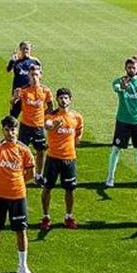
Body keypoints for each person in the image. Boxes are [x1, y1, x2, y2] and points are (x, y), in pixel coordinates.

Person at [0, 116, 36, 273]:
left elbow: (31, 173)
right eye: (7, 130)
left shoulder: (24, 150)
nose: (10, 133)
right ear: (3, 130)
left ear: (17, 130)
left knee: (21, 231)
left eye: (13, 129)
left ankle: (23, 266)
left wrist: (17, 183)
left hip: (18, 197)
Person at [106, 57, 137, 188]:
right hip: (123, 120)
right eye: (129, 68)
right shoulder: (120, 81)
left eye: (134, 67)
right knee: (116, 149)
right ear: (125, 68)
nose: (131, 70)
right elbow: (116, 87)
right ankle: (110, 177)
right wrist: (122, 87)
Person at [40, 88, 83, 230]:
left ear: (70, 99)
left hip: (69, 159)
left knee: (70, 190)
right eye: (61, 98)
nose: (63, 100)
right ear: (57, 100)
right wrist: (53, 127)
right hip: (53, 158)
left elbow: (79, 131)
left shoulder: (76, 117)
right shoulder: (51, 116)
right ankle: (46, 217)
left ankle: (68, 217)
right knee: (47, 188)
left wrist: (76, 141)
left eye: (66, 98)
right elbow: (47, 126)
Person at [11, 64, 53, 185]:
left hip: (38, 127)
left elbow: (50, 106)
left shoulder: (46, 91)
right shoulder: (23, 90)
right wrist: (14, 97)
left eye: (36, 74)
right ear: (28, 75)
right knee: (20, 151)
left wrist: (44, 117)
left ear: (40, 75)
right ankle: (20, 174)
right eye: (32, 74)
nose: (34, 77)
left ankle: (38, 176)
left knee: (40, 151)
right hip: (25, 126)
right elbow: (13, 102)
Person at [5, 41, 41, 119]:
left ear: (30, 49)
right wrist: (11, 61)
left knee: (31, 116)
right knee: (13, 116)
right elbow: (8, 70)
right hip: (18, 93)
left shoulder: (35, 61)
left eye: (27, 49)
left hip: (31, 94)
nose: (25, 51)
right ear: (20, 49)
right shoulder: (16, 61)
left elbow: (39, 77)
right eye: (23, 49)